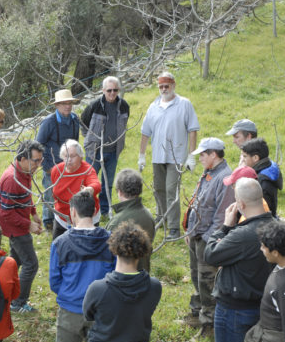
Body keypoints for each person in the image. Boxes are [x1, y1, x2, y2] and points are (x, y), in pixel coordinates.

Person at [204, 178, 275, 342]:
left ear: (241, 204)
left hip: (234, 310)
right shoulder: (276, 226)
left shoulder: (243, 235)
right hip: (263, 306)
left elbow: (210, 255)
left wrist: (225, 227)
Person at [49, 190, 115, 342]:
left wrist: (70, 294)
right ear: (94, 211)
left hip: (69, 312)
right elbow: (116, 276)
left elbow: (54, 282)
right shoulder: (112, 241)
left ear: (72, 211)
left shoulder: (60, 244)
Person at [183, 137, 235, 337]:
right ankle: (198, 314)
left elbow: (222, 215)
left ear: (214, 154)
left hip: (207, 239)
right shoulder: (208, 173)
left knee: (208, 282)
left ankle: (210, 326)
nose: (200, 158)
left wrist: (206, 239)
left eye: (203, 155)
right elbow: (198, 202)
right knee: (197, 277)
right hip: (196, 235)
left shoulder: (225, 178)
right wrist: (190, 230)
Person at [139, 71, 199, 239]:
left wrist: (191, 156)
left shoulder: (184, 104)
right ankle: (161, 219)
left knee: (171, 190)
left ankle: (173, 228)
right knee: (158, 190)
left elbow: (192, 129)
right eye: (161, 86)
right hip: (158, 156)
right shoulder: (153, 106)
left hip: (176, 156)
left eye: (167, 86)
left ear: (173, 86)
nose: (164, 89)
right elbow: (145, 132)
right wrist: (142, 155)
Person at [83, 222, 162, 342]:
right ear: (142, 252)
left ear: (114, 249)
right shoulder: (154, 286)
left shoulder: (97, 289)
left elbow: (88, 315)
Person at [0, 140, 45, 313]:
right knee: (31, 264)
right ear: (23, 158)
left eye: (40, 160)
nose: (38, 165)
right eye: (35, 161)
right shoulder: (12, 179)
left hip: (21, 223)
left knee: (14, 262)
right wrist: (28, 225)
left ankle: (3, 290)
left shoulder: (26, 171)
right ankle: (18, 304)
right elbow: (6, 213)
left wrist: (34, 213)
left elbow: (26, 195)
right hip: (15, 228)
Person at [80, 76, 130, 218]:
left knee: (107, 184)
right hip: (94, 152)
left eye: (115, 90)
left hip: (113, 152)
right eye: (109, 90)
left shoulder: (124, 105)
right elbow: (83, 123)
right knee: (89, 182)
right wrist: (90, 139)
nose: (112, 93)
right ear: (103, 90)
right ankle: (88, 210)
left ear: (118, 90)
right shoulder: (94, 105)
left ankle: (105, 210)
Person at [36, 89, 80, 231]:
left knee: (67, 193)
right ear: (57, 105)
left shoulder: (74, 120)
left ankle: (66, 218)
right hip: (51, 167)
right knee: (50, 194)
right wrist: (47, 165)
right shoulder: (48, 122)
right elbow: (38, 145)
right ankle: (48, 223)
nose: (67, 106)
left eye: (69, 103)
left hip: (69, 166)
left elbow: (76, 142)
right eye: (63, 103)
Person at [106, 168, 155, 272]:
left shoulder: (117, 222)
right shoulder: (149, 216)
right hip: (143, 274)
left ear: (119, 191)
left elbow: (108, 254)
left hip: (122, 277)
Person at [50, 139, 101, 239]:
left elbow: (96, 184)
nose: (69, 159)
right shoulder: (56, 170)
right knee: (58, 246)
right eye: (66, 156)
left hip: (84, 219)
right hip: (62, 217)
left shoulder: (87, 170)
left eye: (73, 156)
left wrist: (89, 190)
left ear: (81, 157)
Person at [240, 138, 282, 216]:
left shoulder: (262, 182)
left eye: (245, 156)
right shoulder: (269, 167)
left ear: (255, 158)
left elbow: (263, 210)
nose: (243, 160)